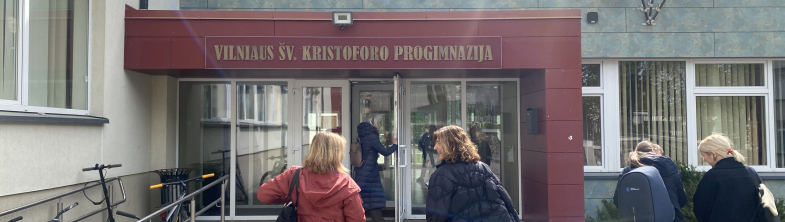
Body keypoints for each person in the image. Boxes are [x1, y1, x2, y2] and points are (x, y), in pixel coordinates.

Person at [257, 132, 365, 221]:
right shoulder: (346, 183)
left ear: (313, 150)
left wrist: (291, 196)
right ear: (338, 154)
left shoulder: (295, 174)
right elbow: (357, 219)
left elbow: (263, 195)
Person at [426, 125, 519, 222]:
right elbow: (507, 203)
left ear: (451, 145)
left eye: (438, 143)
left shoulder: (442, 175)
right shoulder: (483, 167)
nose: (435, 147)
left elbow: (436, 216)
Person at [693, 134, 766, 222]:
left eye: (703, 155)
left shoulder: (712, 176)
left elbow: (700, 208)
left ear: (713, 154)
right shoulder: (751, 172)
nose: (704, 160)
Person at [613, 141, 688, 222]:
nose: (661, 157)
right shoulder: (667, 166)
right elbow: (682, 198)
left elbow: (618, 200)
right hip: (670, 218)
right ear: (653, 150)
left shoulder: (627, 171)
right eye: (660, 154)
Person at [355, 116, 398, 222]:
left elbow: (367, 150)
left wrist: (374, 154)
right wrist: (395, 145)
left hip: (362, 172)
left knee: (366, 202)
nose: (380, 125)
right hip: (369, 175)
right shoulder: (372, 136)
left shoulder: (362, 134)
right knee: (373, 203)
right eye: (380, 123)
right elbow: (385, 152)